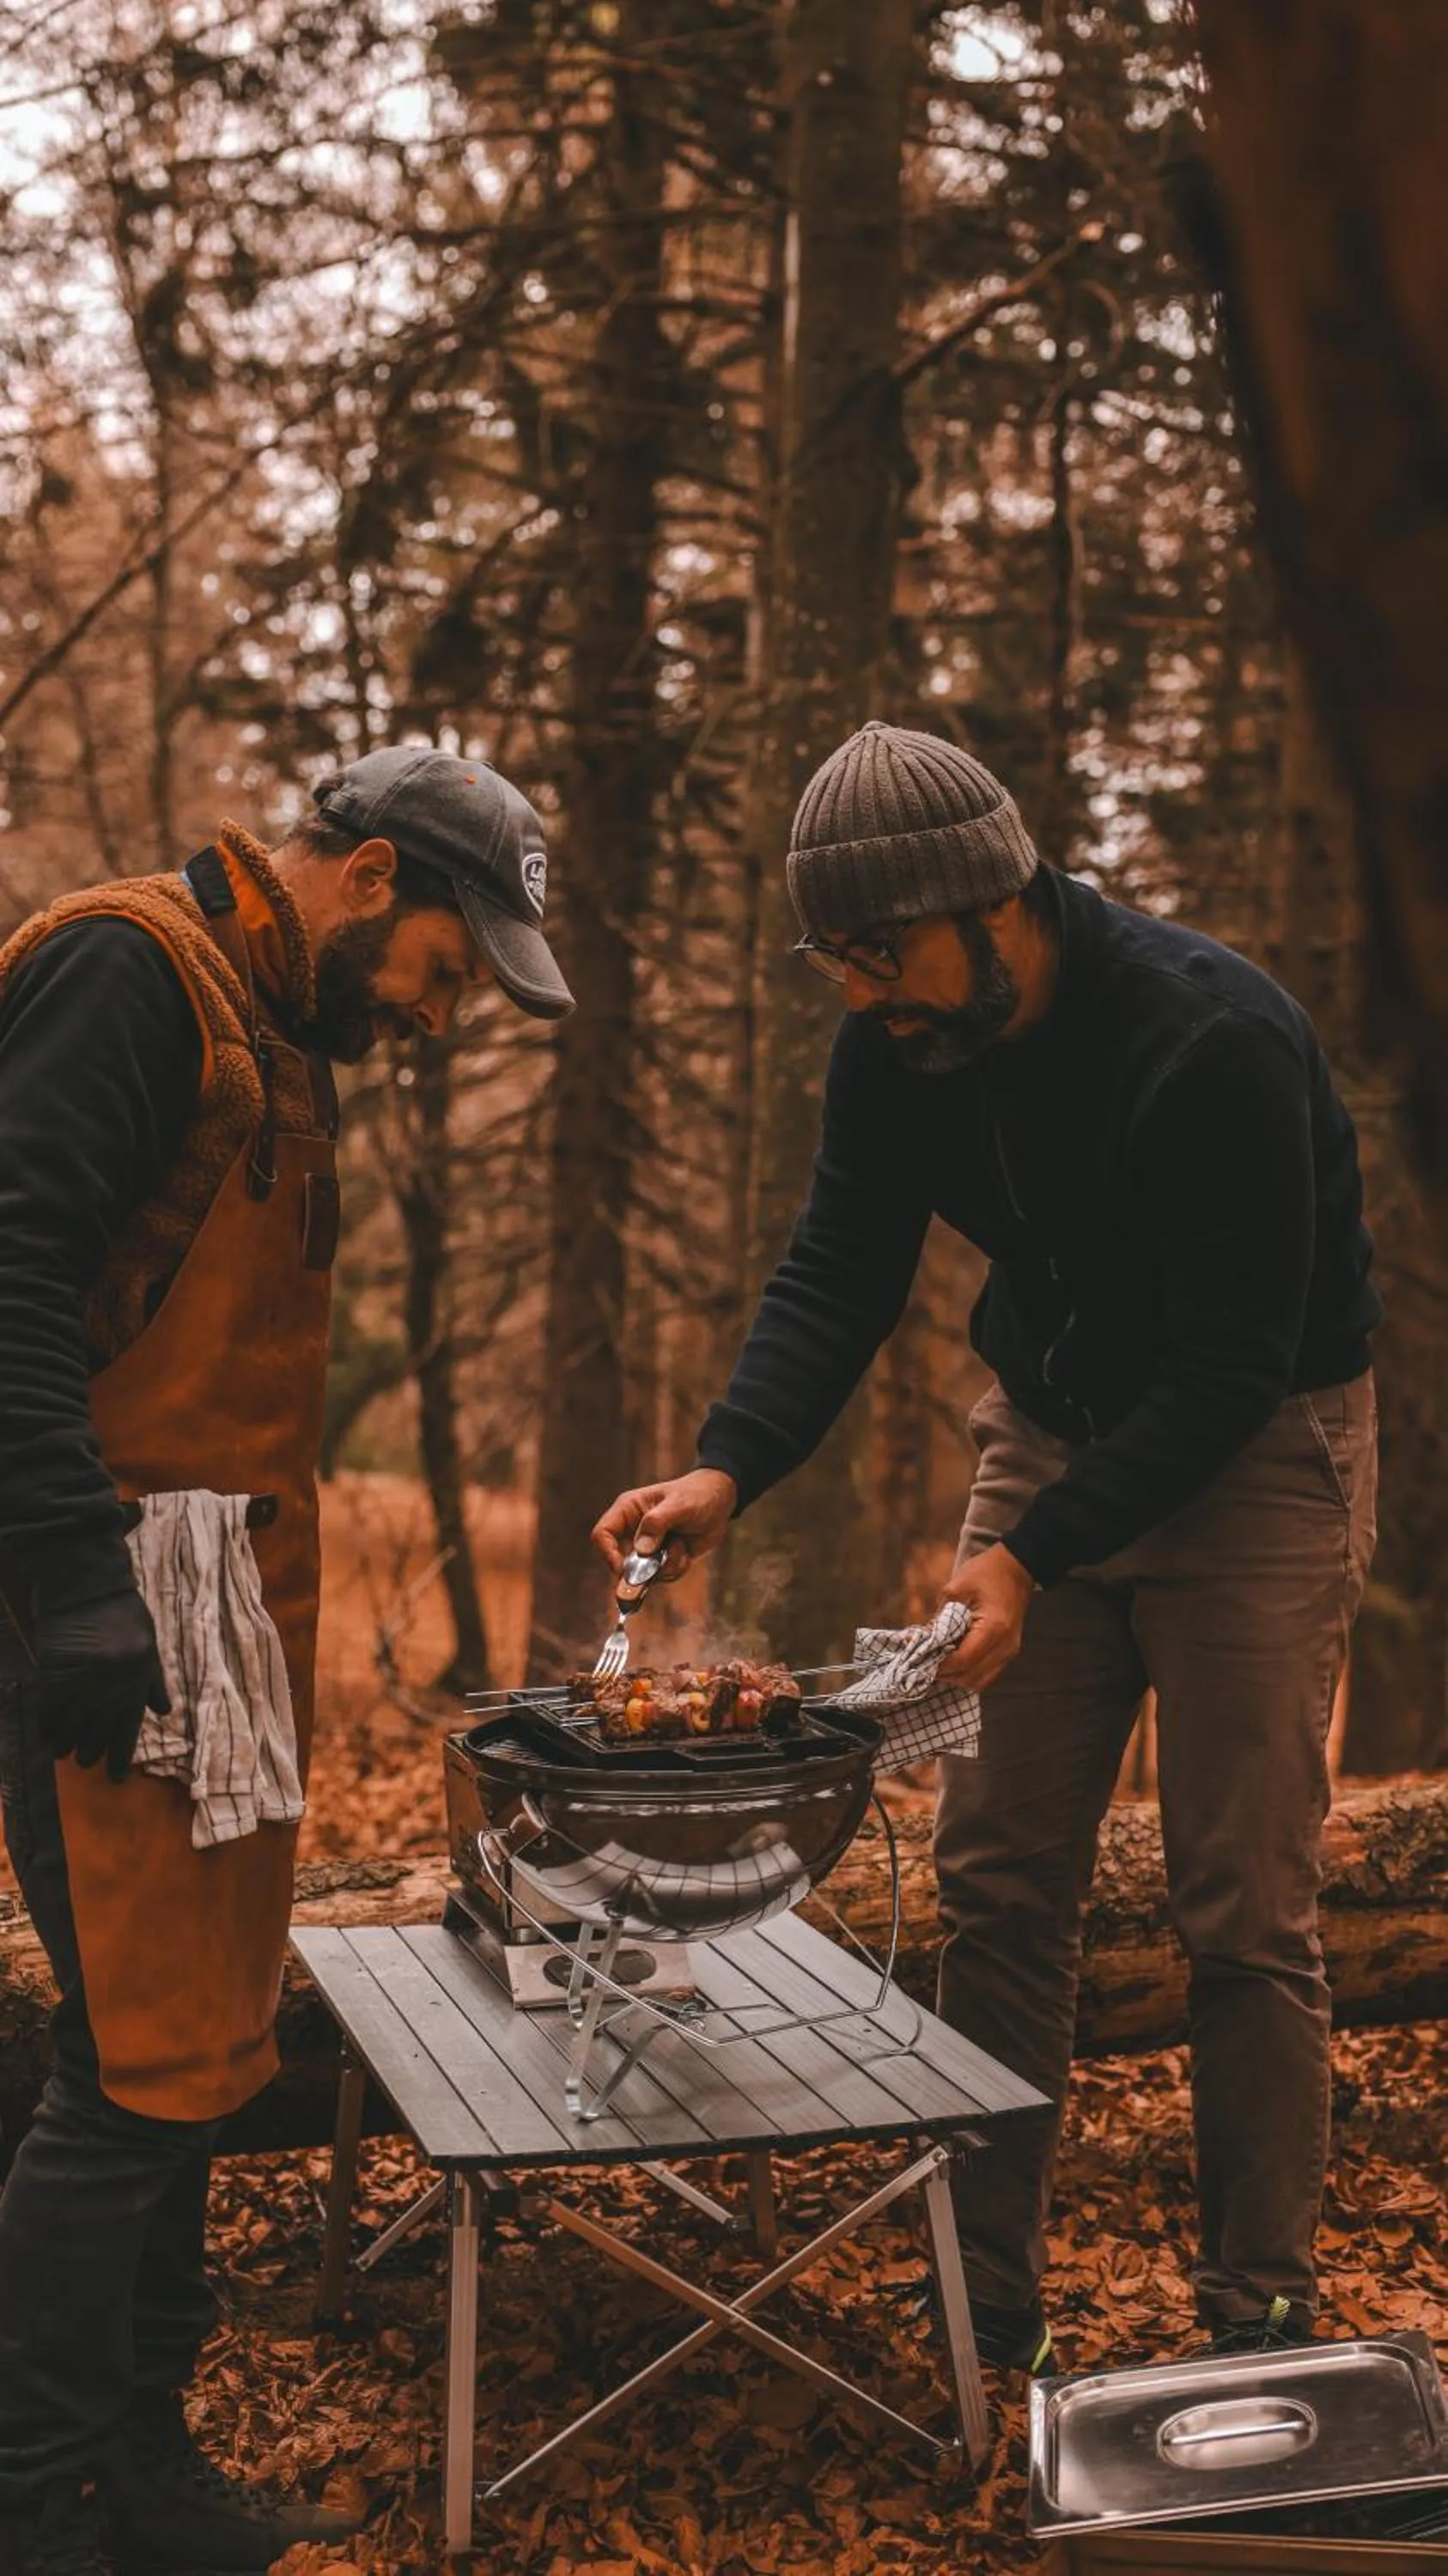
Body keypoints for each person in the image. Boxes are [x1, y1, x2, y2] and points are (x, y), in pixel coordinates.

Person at [594, 719, 1379, 2379]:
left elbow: (1231, 1363)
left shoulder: (1211, 1037)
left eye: (881, 951)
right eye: (834, 959)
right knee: (998, 1882)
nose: (861, 988)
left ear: (995, 900)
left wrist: (1035, 1550)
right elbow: (838, 1267)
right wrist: (729, 1466)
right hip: (1050, 1424)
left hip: (1259, 1452)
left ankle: (1257, 2311)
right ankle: (986, 2299)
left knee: (1241, 1902)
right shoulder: (894, 1047)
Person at [0, 748, 572, 2576]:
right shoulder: (128, 974)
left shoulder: (275, 1028)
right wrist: (76, 1587)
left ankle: (147, 2465)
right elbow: (10, 1278)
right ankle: (33, 2500)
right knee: (130, 2069)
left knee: (195, 2055)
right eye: (443, 967)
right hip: (103, 1612)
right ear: (370, 876)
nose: (436, 1013)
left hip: (219, 1630)